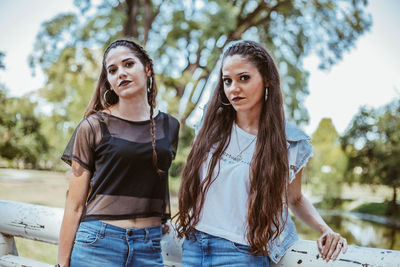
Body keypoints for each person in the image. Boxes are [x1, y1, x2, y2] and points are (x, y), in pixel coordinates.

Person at [175, 40, 347, 266]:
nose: (233, 88)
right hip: (194, 245)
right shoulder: (211, 125)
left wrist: (326, 230)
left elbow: (294, 198)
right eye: (227, 81)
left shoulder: (289, 142)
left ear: (266, 80)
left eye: (243, 78)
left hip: (242, 253)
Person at [57, 39, 180, 267]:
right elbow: (74, 206)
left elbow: (156, 179)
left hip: (150, 246)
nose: (120, 73)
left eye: (128, 64)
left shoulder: (170, 126)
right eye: (112, 70)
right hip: (98, 244)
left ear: (148, 69)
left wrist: (161, 216)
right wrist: (61, 265)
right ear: (109, 82)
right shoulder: (93, 126)